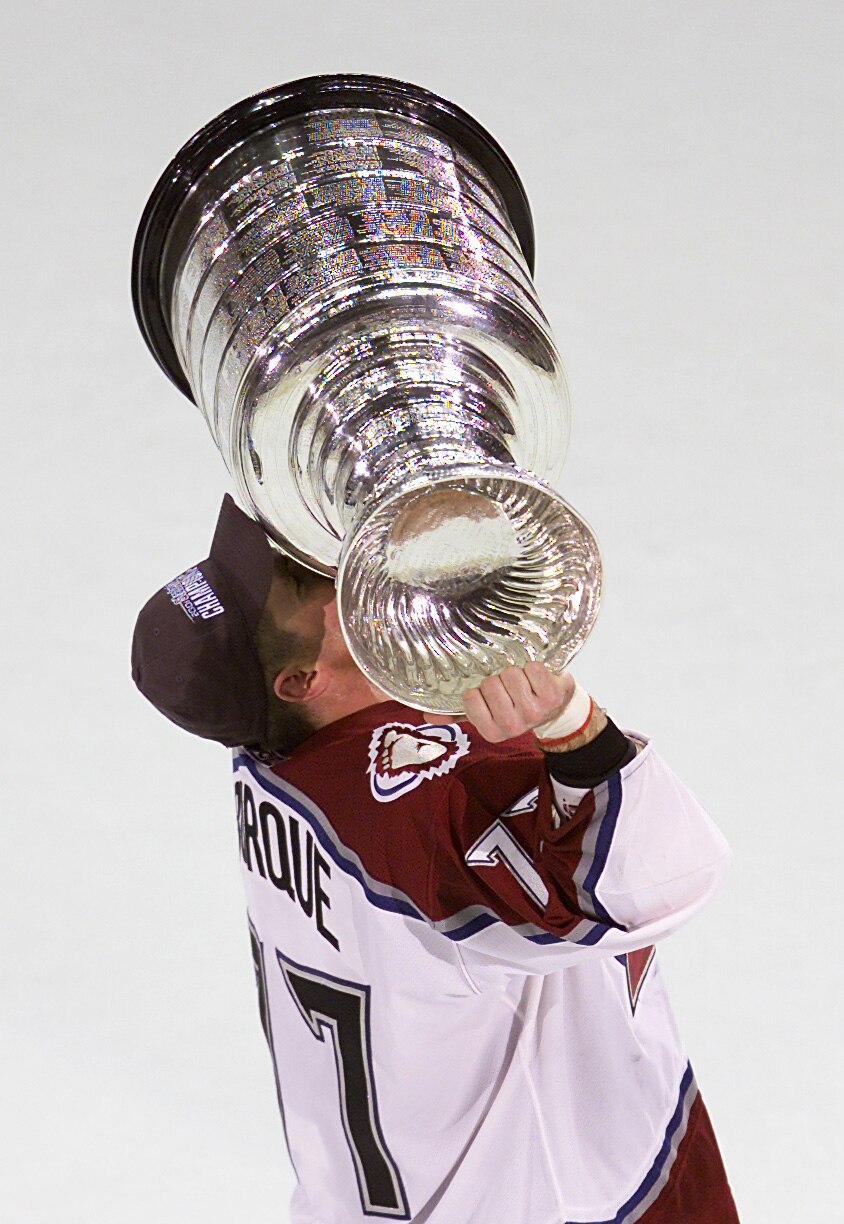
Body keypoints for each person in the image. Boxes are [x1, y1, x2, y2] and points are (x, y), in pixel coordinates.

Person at [132, 494, 739, 1224]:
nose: (324, 573)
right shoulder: (429, 794)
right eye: (300, 585)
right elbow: (658, 876)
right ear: (302, 682)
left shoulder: (273, 749)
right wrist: (571, 727)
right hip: (566, 1198)